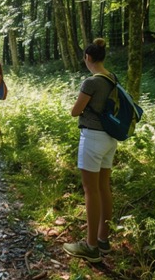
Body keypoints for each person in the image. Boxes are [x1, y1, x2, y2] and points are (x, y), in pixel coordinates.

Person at [62, 38, 115, 263]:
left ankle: (90, 246)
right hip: (110, 139)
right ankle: (103, 240)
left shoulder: (91, 82)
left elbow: (76, 111)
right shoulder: (112, 78)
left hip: (92, 138)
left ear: (88, 58)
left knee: (90, 190)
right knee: (104, 188)